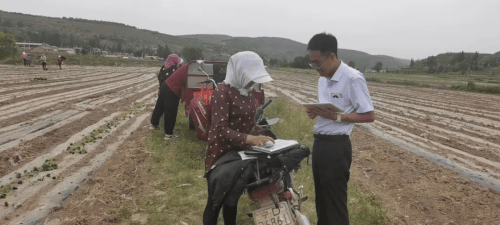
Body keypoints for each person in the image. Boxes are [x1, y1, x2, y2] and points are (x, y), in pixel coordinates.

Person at [306, 32, 375, 225]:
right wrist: (316, 112)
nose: (315, 68)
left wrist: (337, 116)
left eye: (318, 63)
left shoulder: (353, 78)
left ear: (332, 57)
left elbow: (370, 115)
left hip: (337, 148)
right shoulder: (322, 80)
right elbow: (327, 109)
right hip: (319, 144)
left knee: (335, 204)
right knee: (322, 201)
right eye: (312, 63)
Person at [202, 51, 275, 225]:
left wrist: (263, 134)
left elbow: (249, 124)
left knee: (232, 197)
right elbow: (220, 129)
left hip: (240, 154)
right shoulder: (222, 92)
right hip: (221, 153)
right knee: (216, 199)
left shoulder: (249, 93)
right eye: (251, 77)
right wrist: (250, 139)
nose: (253, 82)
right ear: (239, 72)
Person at [150, 54, 185, 140]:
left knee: (159, 107)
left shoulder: (164, 67)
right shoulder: (175, 69)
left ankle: (154, 124)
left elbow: (160, 77)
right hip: (171, 90)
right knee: (170, 111)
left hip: (163, 88)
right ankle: (168, 135)